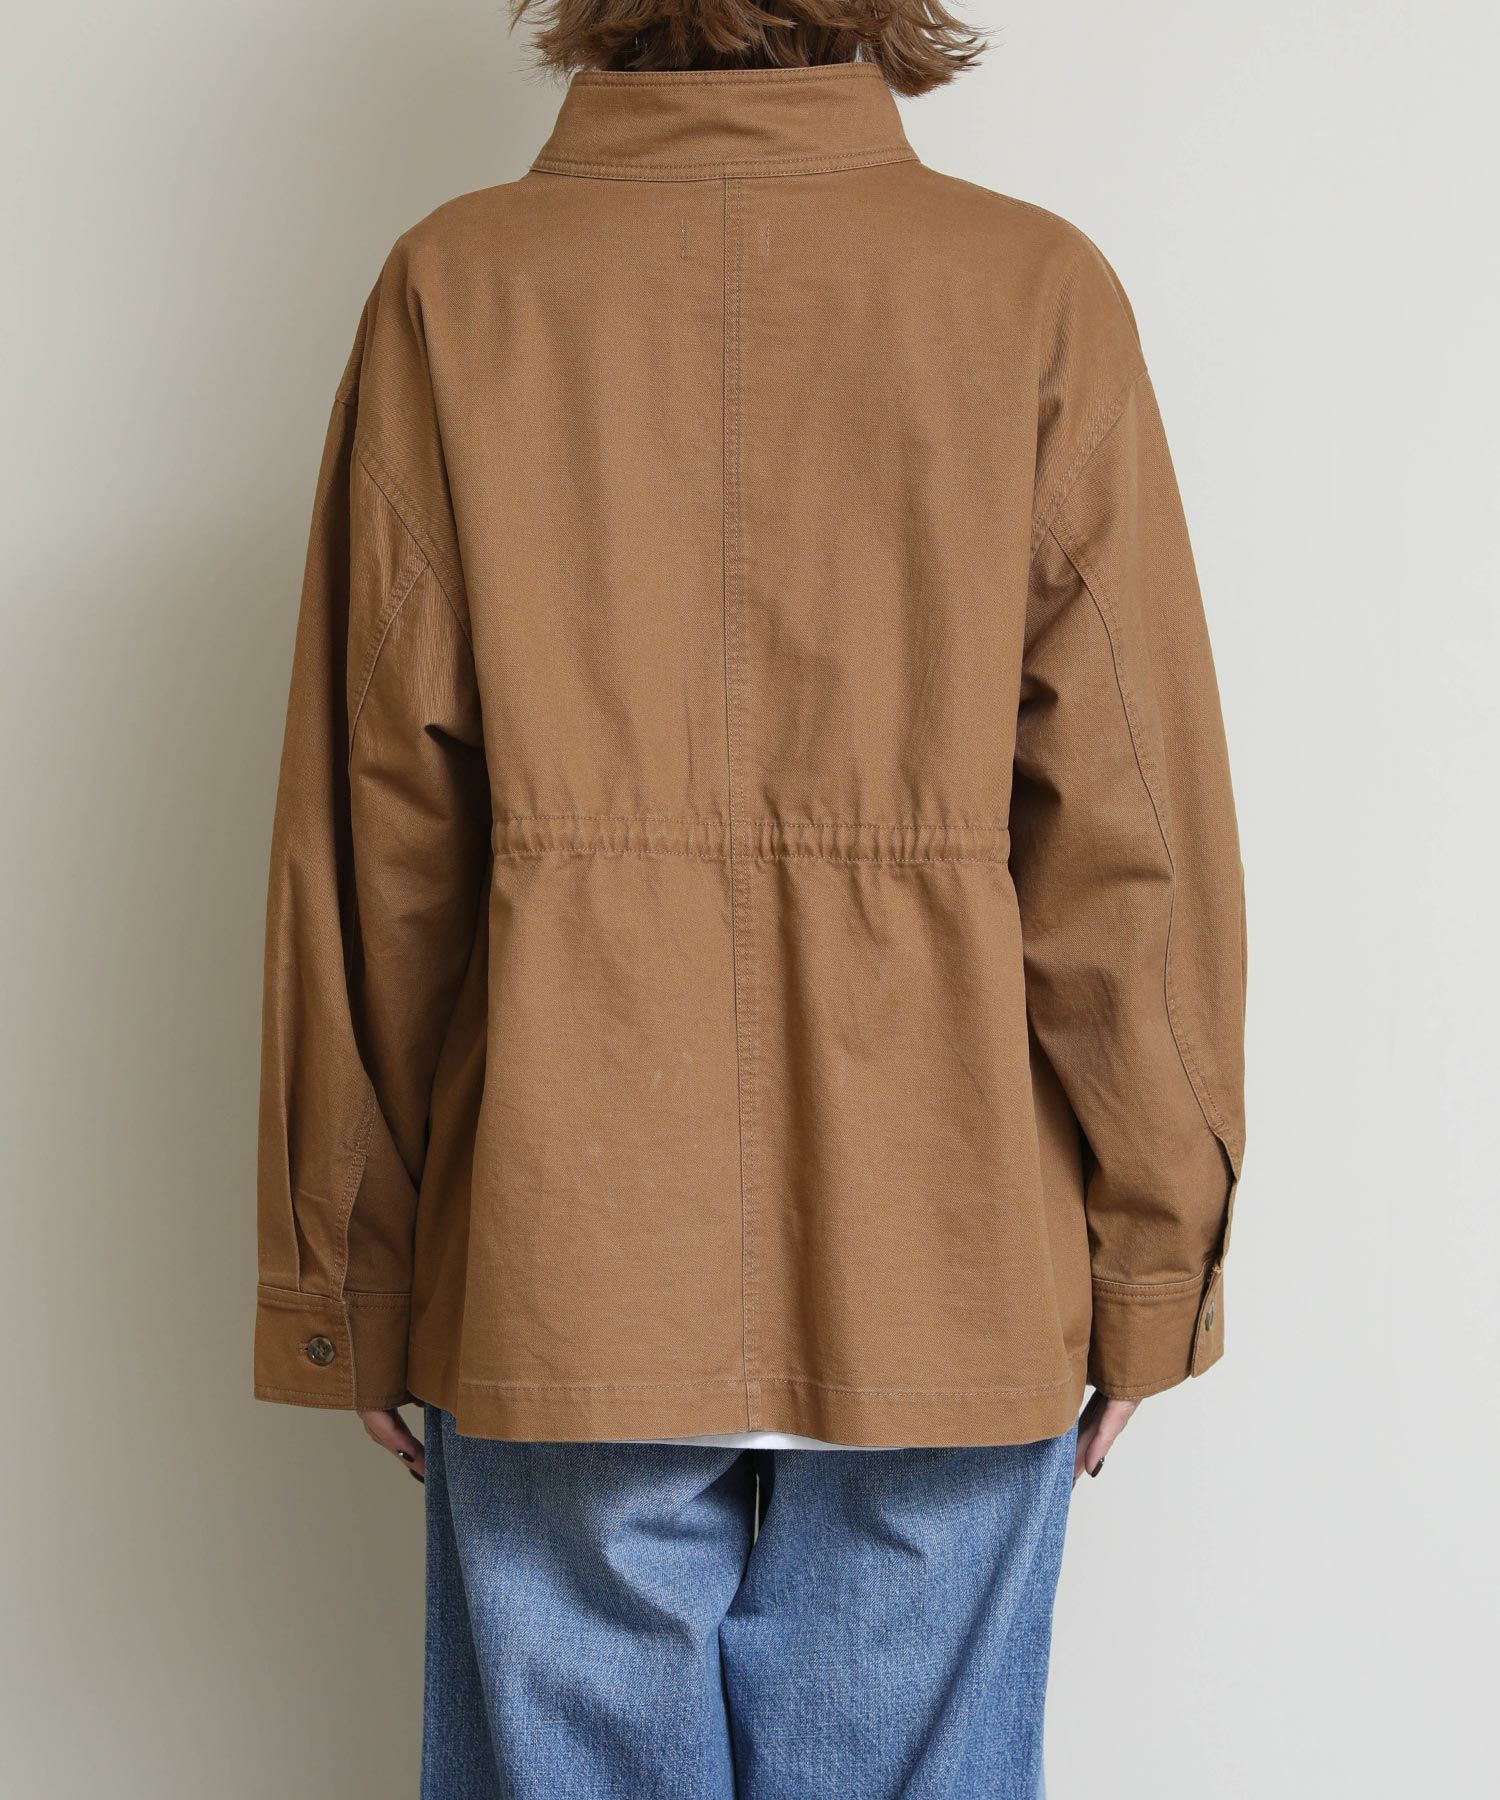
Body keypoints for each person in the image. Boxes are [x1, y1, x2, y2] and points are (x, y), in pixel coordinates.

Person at [253, 2, 1246, 1793]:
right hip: (947, 1244)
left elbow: (374, 838)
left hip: (562, 1247)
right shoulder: (1033, 292)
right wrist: (1155, 1256)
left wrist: (356, 1271)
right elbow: (1130, 841)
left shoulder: (457, 290)